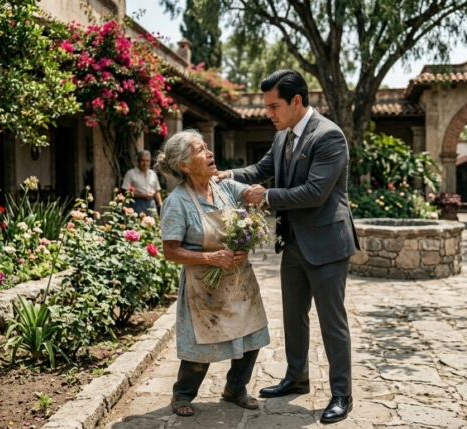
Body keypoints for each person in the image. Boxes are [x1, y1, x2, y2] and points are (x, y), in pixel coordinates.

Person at [216, 69, 360, 423]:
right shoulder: (282, 136)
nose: (269, 113)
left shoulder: (329, 136)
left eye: (274, 105)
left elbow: (314, 192)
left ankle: (342, 395)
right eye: (266, 106)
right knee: (293, 318)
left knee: (332, 323)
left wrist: (266, 198)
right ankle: (296, 379)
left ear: (297, 101)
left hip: (327, 244)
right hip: (294, 242)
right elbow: (262, 168)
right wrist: (228, 175)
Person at [157, 129, 270, 417]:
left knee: (251, 334)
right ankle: (183, 394)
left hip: (239, 280)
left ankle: (236, 388)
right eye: (200, 150)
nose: (210, 153)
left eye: (208, 147)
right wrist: (210, 257)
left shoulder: (223, 187)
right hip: (204, 287)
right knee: (201, 346)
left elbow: (248, 196)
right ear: (184, 165)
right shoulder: (176, 202)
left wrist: (247, 239)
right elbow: (171, 251)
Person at [122, 150, 162, 216]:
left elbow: (157, 191)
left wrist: (161, 205)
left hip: (151, 204)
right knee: (138, 225)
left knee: (153, 223)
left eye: (147, 161)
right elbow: (125, 192)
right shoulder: (131, 173)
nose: (145, 163)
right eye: (142, 160)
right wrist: (143, 195)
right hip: (136, 203)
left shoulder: (152, 174)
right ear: (138, 161)